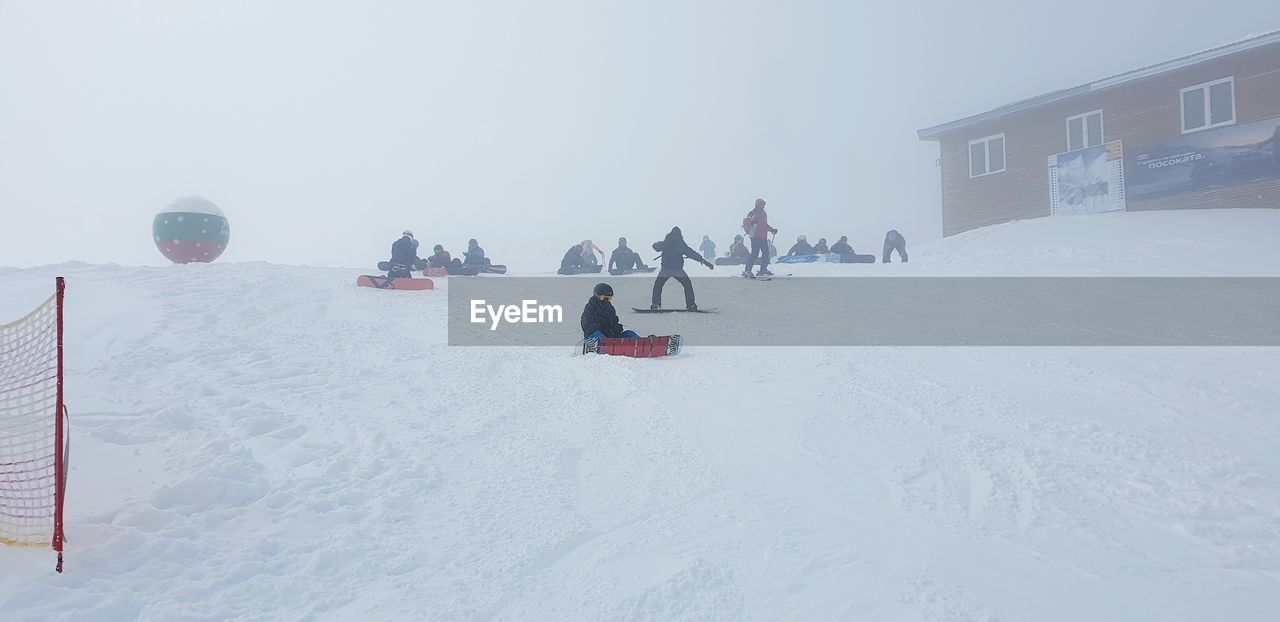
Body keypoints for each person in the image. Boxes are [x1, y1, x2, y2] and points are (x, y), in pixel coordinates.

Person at [650, 226, 714, 310]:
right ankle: (690, 304)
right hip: (673, 269)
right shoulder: (675, 243)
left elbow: (691, 253)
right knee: (686, 284)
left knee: (658, 285)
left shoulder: (672, 242)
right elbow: (691, 253)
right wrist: (704, 261)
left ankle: (656, 304)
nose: (676, 237)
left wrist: (704, 261)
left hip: (671, 269)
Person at [742, 198, 777, 277]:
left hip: (763, 237)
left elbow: (765, 225)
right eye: (761, 204)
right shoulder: (753, 213)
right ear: (757, 204)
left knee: (766, 253)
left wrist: (772, 230)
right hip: (755, 237)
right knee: (755, 254)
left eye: (763, 204)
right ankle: (747, 270)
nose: (762, 206)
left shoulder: (763, 213)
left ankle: (763, 270)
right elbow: (747, 222)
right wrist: (752, 222)